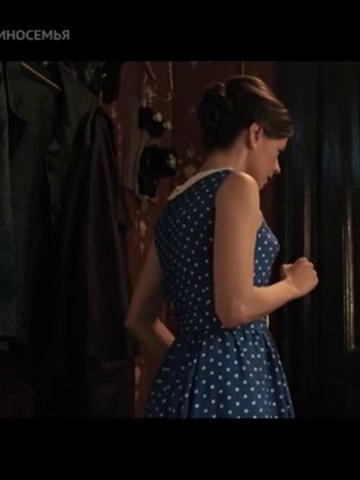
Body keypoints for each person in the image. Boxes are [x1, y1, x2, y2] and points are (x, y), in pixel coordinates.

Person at [125, 75, 318, 418]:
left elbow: (139, 318)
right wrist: (292, 285)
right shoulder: (238, 185)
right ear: (255, 133)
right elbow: (235, 307)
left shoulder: (175, 203)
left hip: (179, 386)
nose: (276, 168)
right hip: (236, 377)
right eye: (277, 152)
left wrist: (192, 367)